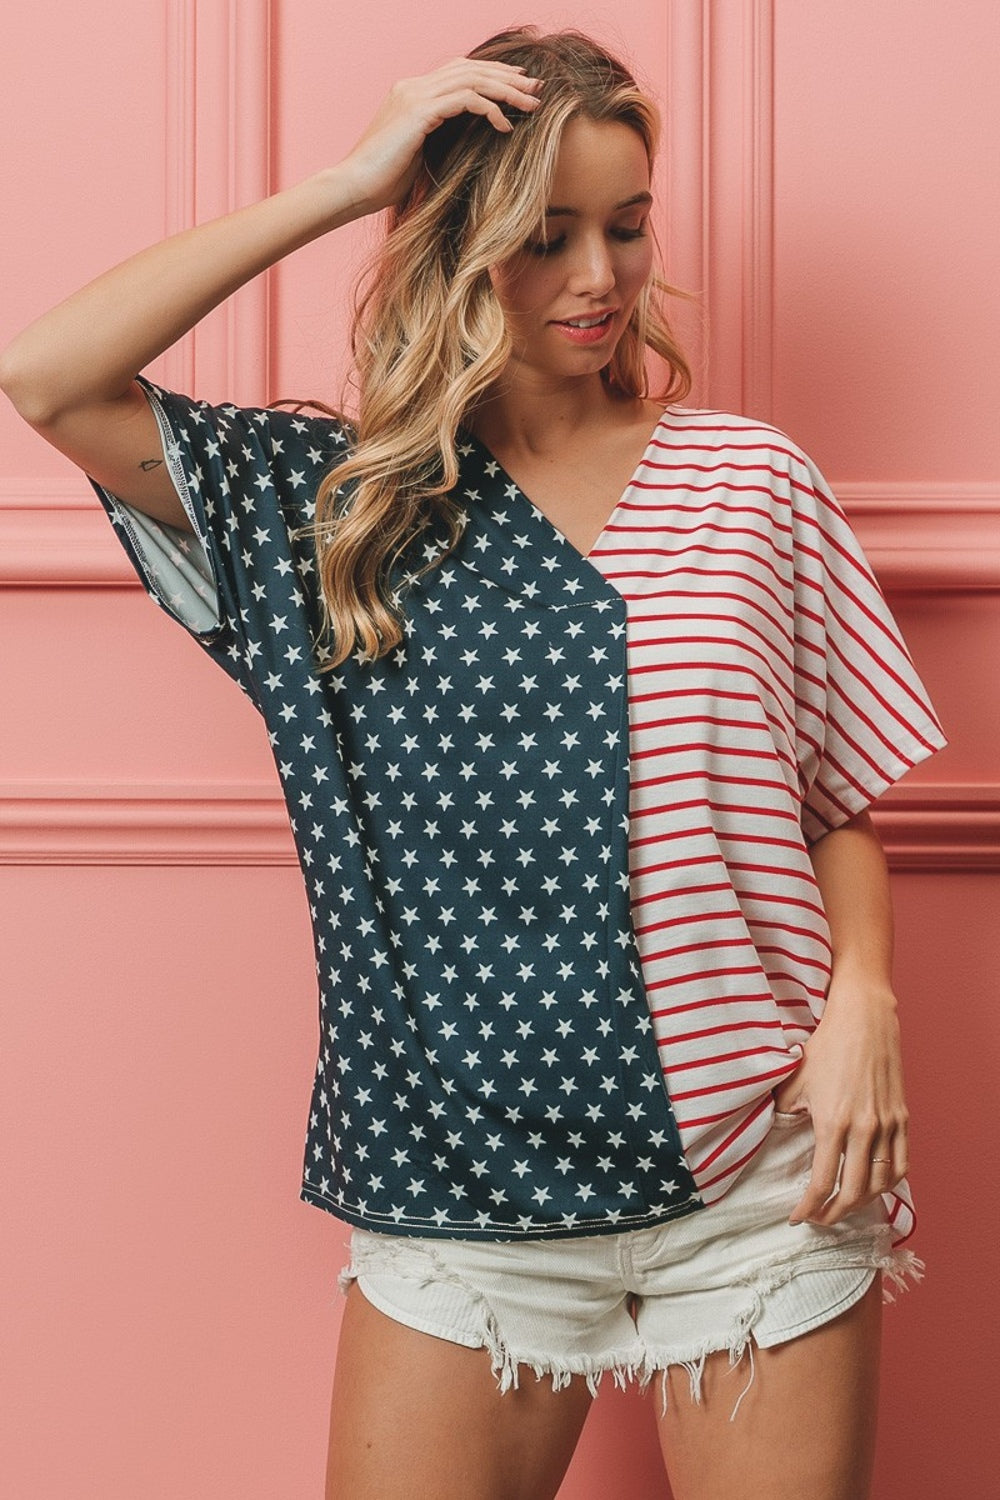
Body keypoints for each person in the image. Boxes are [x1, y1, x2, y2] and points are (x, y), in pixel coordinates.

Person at [0, 25, 947, 1500]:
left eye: (628, 227)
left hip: (768, 1178)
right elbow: (47, 374)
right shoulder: (333, 509)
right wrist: (346, 179)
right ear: (454, 242)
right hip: (459, 1189)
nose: (597, 276)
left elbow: (829, 799)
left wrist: (866, 1002)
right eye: (540, 234)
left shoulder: (752, 482)